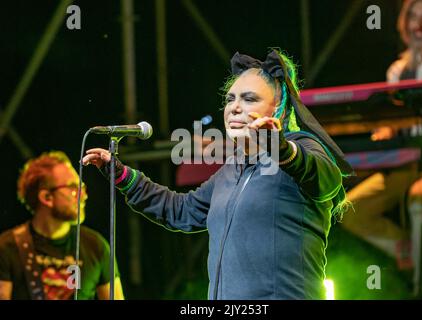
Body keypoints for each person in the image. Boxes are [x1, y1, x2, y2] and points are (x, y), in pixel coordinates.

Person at [82, 49, 353, 300]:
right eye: (230, 99)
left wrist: (280, 148)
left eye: (249, 99)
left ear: (278, 109)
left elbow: (327, 180)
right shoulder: (232, 169)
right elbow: (182, 210)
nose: (234, 107)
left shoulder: (301, 147)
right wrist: (121, 175)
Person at [341, 0, 422, 298]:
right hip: (406, 164)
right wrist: (383, 133)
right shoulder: (399, 70)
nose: (419, 25)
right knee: (350, 211)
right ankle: (411, 249)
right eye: (413, 17)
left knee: (419, 199)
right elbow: (393, 122)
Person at [0, 151, 124, 300]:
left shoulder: (96, 246)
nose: (83, 196)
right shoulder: (7, 247)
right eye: (73, 188)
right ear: (47, 197)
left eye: (81, 187)